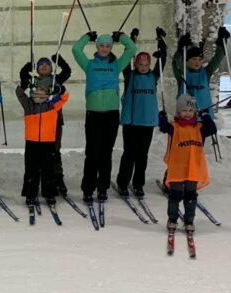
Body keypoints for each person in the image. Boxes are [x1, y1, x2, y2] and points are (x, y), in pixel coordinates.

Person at [72, 29, 136, 203]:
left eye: (108, 45)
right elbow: (76, 50)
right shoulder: (89, 64)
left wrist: (121, 37)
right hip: (93, 114)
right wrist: (87, 37)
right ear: (97, 46)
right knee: (92, 153)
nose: (105, 48)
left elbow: (131, 49)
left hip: (111, 114)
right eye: (101, 45)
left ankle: (102, 188)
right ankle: (88, 188)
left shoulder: (116, 65)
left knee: (106, 154)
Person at [116, 28, 167, 197]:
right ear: (136, 64)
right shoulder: (130, 76)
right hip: (131, 122)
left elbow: (163, 61)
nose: (143, 67)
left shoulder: (153, 77)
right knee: (129, 154)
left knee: (142, 156)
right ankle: (123, 183)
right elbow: (127, 57)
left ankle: (138, 184)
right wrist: (132, 39)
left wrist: (161, 44)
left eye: (146, 64)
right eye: (140, 64)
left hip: (147, 122)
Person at [158, 94, 216, 232]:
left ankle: (189, 220)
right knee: (175, 195)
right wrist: (161, 118)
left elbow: (212, 129)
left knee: (190, 195)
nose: (188, 113)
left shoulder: (199, 128)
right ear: (179, 112)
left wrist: (206, 116)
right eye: (184, 110)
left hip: (193, 168)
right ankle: (172, 219)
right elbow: (163, 127)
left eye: (191, 110)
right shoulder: (174, 127)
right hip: (177, 167)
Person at [15, 76, 69, 208]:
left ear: (48, 93)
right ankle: (30, 194)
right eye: (36, 90)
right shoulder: (28, 105)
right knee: (31, 169)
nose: (38, 92)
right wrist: (23, 84)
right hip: (32, 143)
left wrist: (59, 89)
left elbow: (65, 96)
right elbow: (19, 93)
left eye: (42, 90)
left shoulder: (52, 106)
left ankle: (49, 193)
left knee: (48, 170)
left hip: (48, 143)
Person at [31, 51, 71, 195]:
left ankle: (58, 177)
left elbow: (67, 71)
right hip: (37, 122)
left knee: (54, 151)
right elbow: (23, 81)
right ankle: (42, 177)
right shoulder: (33, 81)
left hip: (54, 122)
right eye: (41, 65)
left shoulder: (56, 80)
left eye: (47, 65)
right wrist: (27, 67)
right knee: (39, 152)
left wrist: (59, 60)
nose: (44, 66)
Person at [172, 27, 229, 119]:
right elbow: (176, 62)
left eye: (199, 59)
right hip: (186, 118)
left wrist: (221, 43)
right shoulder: (183, 73)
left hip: (205, 117)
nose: (197, 62)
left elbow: (217, 59)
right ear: (187, 61)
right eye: (193, 59)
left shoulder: (206, 72)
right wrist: (180, 49)